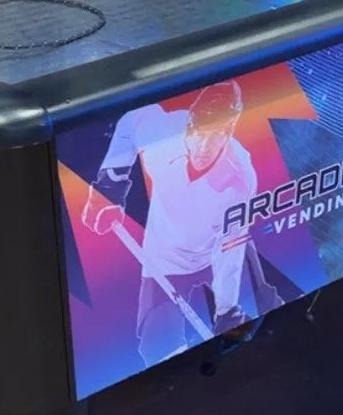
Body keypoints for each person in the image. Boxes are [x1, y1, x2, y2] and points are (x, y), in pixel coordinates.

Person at [83, 81, 283, 362]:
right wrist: (109, 185)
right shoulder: (161, 136)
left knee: (261, 314)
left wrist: (226, 310)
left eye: (213, 136)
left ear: (228, 131)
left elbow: (232, 244)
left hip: (216, 253)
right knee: (158, 350)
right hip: (164, 261)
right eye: (199, 132)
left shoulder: (240, 176)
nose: (202, 146)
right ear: (190, 123)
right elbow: (130, 121)